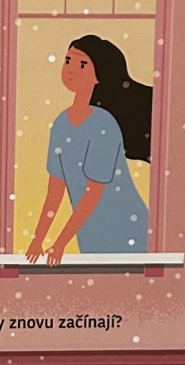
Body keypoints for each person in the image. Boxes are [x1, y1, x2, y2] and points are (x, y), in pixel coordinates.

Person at [25, 35, 151, 265]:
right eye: (68, 61)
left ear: (98, 75)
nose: (71, 69)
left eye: (82, 64)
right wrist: (37, 240)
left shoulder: (104, 125)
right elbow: (54, 192)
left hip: (125, 227)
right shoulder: (61, 124)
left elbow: (93, 193)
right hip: (89, 231)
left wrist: (60, 243)